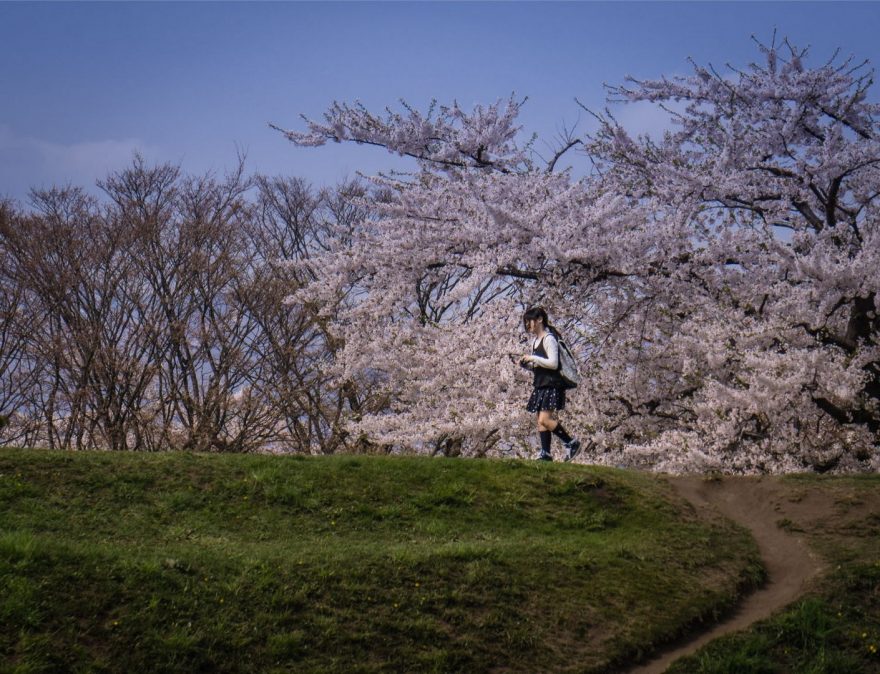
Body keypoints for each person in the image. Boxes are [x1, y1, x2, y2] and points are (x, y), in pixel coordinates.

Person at [519, 307, 581, 462]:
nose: (528, 325)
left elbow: (553, 364)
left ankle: (571, 442)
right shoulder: (535, 342)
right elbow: (541, 365)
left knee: (544, 420)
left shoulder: (549, 339)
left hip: (552, 385)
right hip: (541, 384)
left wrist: (533, 358)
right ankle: (545, 453)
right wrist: (527, 364)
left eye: (530, 321)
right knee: (540, 419)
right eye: (526, 322)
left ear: (539, 319)